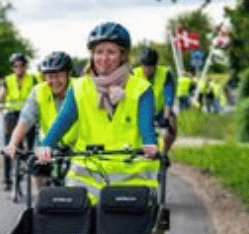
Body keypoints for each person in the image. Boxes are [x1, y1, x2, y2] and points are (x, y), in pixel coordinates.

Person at [36, 22, 159, 201]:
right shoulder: (80, 88)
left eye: (111, 52)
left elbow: (146, 126)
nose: (104, 58)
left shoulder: (141, 89)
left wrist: (149, 144)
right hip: (85, 181)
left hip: (131, 182)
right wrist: (46, 145)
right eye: (99, 52)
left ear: (122, 56)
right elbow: (62, 121)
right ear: (92, 56)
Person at [3, 51, 75, 187]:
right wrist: (13, 143)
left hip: (76, 147)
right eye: (50, 76)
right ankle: (43, 201)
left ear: (68, 74)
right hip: (47, 146)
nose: (54, 81)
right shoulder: (39, 91)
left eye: (59, 76)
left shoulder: (78, 88)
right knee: (37, 170)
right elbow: (25, 120)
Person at [0, 51, 38, 189]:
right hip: (11, 114)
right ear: (12, 67)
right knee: (8, 146)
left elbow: (39, 94)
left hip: (28, 115)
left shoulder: (33, 79)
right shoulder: (7, 80)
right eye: (16, 66)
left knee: (31, 147)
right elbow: (0, 96)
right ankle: (7, 179)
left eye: (21, 66)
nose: (19, 69)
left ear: (25, 66)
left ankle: (30, 170)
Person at [133, 47, 178, 152]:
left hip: (160, 110)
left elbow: (169, 95)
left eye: (150, 66)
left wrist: (167, 112)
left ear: (155, 65)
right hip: (140, 110)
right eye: (145, 66)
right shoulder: (134, 74)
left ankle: (164, 153)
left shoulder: (165, 73)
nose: (147, 69)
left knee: (172, 127)